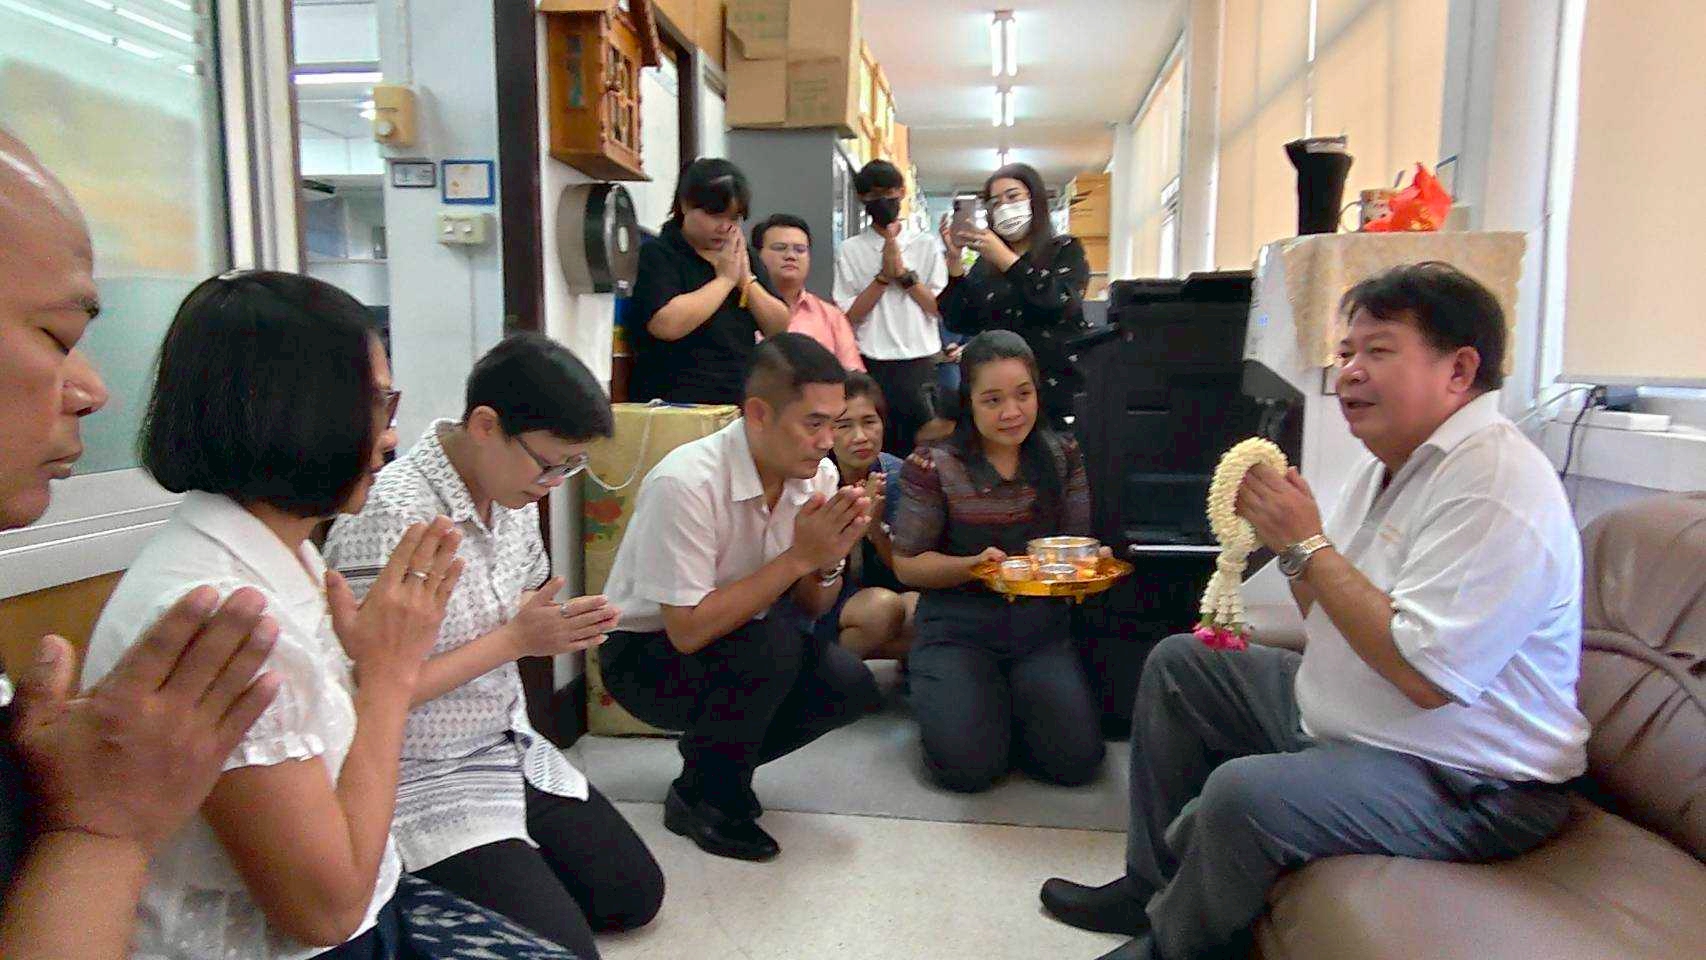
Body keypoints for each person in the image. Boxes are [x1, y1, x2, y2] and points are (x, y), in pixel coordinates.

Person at [1039, 263, 1587, 960]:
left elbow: (1425, 675)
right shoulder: (1387, 465)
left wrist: (1306, 543)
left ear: (1459, 369)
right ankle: (1149, 886)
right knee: (1183, 665)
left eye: (1378, 351)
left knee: (1242, 794)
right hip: (1356, 723)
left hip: (1465, 779)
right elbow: (1327, 610)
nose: (1349, 372)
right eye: (1347, 352)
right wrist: (1288, 545)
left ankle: (1174, 947)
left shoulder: (1495, 484)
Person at [79, 269, 480, 960]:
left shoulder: (280, 548)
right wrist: (389, 674)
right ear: (301, 411)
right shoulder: (225, 612)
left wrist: (368, 663)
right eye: (377, 403)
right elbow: (328, 911)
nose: (389, 435)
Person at [0, 128, 282, 960]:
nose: (93, 389)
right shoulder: (214, 582)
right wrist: (104, 828)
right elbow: (327, 907)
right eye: (57, 336)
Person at [324, 332, 663, 959]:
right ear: (485, 425)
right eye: (549, 464)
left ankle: (501, 872)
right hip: (418, 769)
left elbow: (518, 602)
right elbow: (362, 692)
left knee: (633, 895)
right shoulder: (390, 515)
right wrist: (515, 639)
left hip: (506, 744)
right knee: (565, 951)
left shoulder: (513, 498)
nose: (554, 483)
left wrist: (553, 625)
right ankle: (406, 889)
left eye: (570, 467)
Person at [599, 333, 883, 862]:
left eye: (836, 423)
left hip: (746, 641)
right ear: (757, 414)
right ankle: (712, 800)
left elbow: (814, 606)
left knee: (851, 686)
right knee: (771, 644)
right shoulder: (686, 482)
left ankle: (706, 772)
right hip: (645, 655)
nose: (828, 442)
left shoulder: (818, 475)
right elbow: (686, 631)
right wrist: (798, 557)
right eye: (813, 424)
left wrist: (830, 558)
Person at [891, 331, 1105, 793]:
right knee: (968, 769)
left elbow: (1074, 541)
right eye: (992, 400)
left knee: (1075, 763)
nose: (1011, 412)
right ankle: (938, 687)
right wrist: (972, 566)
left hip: (1040, 632)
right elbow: (906, 564)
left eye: (1023, 394)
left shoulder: (1062, 454)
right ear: (967, 402)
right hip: (957, 630)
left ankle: (1001, 703)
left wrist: (1090, 561)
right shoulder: (934, 466)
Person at [940, 162, 1091, 429]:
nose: (1004, 207)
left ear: (1035, 200)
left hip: (1055, 392)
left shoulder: (1064, 249)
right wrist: (954, 262)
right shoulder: (986, 264)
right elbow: (960, 319)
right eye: (995, 202)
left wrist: (1007, 260)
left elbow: (1060, 303)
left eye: (1013, 197)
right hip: (1000, 395)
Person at [629, 158, 789, 405]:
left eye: (734, 218)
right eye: (715, 215)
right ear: (685, 205)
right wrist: (724, 280)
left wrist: (746, 281)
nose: (724, 227)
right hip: (674, 401)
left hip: (737, 398)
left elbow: (779, 326)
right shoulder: (658, 254)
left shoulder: (742, 256)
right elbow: (665, 324)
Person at [834, 160, 948, 456]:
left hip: (921, 363)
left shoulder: (925, 245)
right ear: (862, 199)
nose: (883, 201)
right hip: (873, 364)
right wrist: (883, 278)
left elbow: (939, 308)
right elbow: (849, 316)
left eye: (889, 192)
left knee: (925, 449)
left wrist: (905, 277)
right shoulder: (851, 249)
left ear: (902, 191)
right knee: (876, 446)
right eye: (873, 195)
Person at [822, 373, 916, 662]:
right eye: (844, 425)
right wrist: (853, 527)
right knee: (881, 610)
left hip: (882, 588)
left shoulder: (898, 474)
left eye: (869, 422)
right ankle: (823, 667)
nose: (860, 437)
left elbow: (906, 570)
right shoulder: (816, 479)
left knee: (919, 609)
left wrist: (875, 529)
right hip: (827, 596)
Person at [753, 213, 864, 372]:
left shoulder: (831, 317)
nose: (790, 256)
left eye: (800, 250)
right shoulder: (739, 311)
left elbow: (854, 377)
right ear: (757, 255)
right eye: (780, 248)